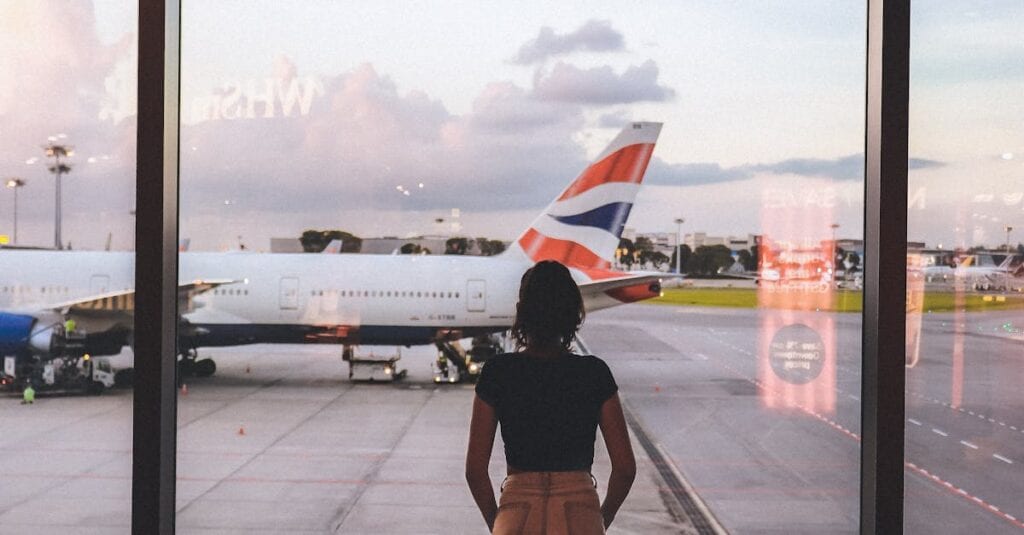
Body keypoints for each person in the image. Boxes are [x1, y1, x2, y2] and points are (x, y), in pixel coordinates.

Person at [466, 261, 636, 534]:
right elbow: (625, 469)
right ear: (573, 314)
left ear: (522, 313)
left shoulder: (498, 372)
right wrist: (601, 520)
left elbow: (475, 471)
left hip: (518, 509)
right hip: (581, 511)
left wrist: (497, 521)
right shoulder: (594, 373)